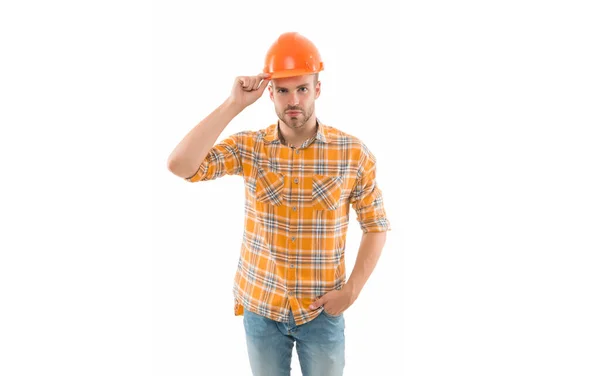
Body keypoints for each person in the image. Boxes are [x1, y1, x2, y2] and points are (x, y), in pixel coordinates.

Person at [167, 32, 391, 376]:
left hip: (322, 311)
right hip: (261, 307)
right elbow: (181, 166)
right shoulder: (250, 147)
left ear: (317, 89)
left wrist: (352, 291)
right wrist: (234, 105)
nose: (293, 100)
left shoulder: (352, 153)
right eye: (283, 90)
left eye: (302, 88)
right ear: (269, 93)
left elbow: (375, 225)